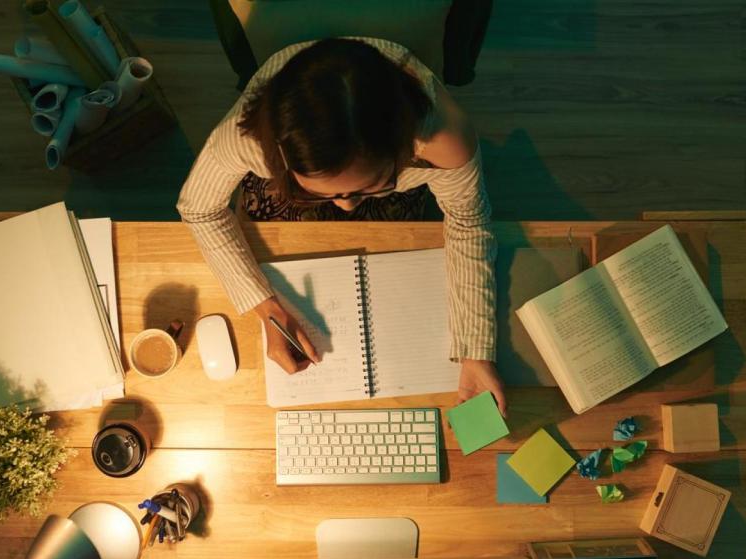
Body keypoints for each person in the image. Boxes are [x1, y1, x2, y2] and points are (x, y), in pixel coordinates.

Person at [177, 37, 506, 415]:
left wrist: (476, 351)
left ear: (402, 149)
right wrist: (267, 309)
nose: (347, 206)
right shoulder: (245, 139)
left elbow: (468, 221)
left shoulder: (441, 139)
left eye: (367, 187)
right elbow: (198, 209)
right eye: (327, 192)